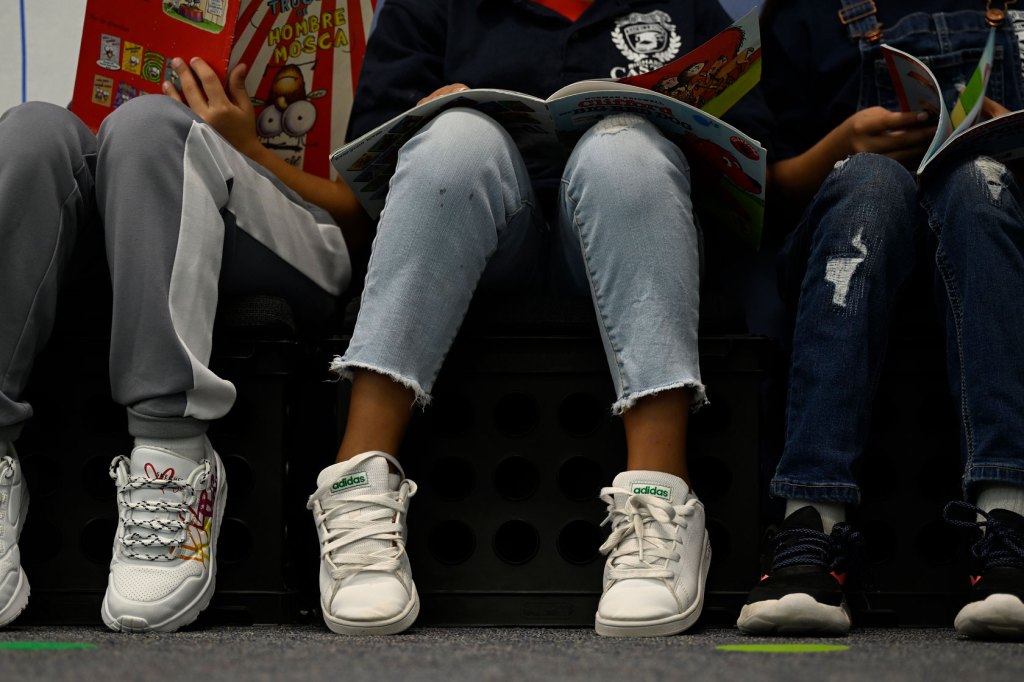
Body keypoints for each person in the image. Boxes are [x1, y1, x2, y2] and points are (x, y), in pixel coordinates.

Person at [304, 0, 771, 637]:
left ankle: (660, 498)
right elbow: (369, 180)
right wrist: (426, 120)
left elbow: (750, 167)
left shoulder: (688, 6)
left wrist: (671, 137)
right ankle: (358, 490)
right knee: (453, 139)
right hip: (489, 242)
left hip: (623, 242)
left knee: (625, 146)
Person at [0, 58, 369, 631]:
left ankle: (172, 458)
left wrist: (250, 146)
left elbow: (372, 214)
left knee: (152, 126)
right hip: (131, 191)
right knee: (30, 129)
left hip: (288, 222)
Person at [736, 0, 1024, 638]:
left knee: (982, 181)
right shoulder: (805, 14)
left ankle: (1011, 525)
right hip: (848, 241)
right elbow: (766, 183)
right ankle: (812, 528)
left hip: (993, 236)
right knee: (870, 181)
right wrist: (844, 144)